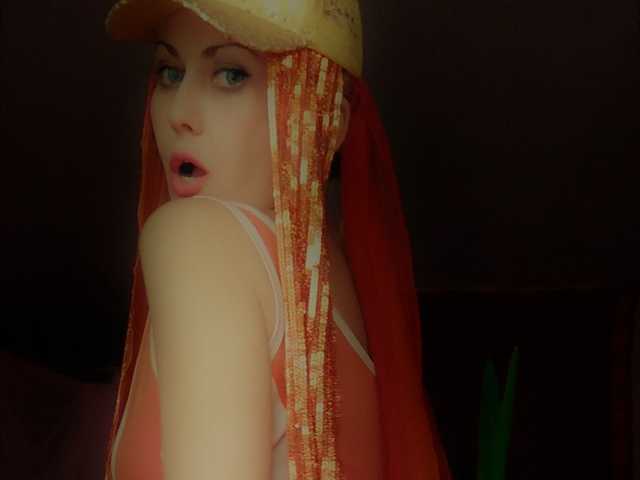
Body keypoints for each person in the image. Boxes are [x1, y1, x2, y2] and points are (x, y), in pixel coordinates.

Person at [102, 1, 451, 479]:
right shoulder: (336, 287)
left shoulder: (199, 241)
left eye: (231, 75)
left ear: (327, 120)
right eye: (170, 73)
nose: (179, 113)